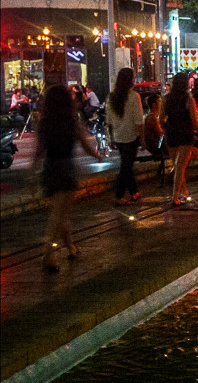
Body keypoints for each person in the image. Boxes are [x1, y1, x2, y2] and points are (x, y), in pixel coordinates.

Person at [35, 84, 104, 270]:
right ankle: (48, 254)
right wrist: (97, 156)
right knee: (59, 213)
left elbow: (38, 151)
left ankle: (71, 247)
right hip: (65, 167)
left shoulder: (44, 122)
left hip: (50, 167)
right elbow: (84, 143)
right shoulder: (71, 120)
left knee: (59, 211)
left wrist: (32, 173)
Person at [162, 71, 198, 206]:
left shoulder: (166, 99)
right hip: (185, 133)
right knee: (181, 166)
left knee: (178, 164)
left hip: (171, 132)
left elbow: (161, 119)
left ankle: (184, 192)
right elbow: (194, 120)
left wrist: (165, 129)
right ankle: (175, 196)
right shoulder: (188, 99)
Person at [105, 67, 144, 206]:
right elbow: (139, 120)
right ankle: (119, 195)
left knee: (127, 163)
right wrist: (142, 138)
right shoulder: (134, 97)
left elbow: (108, 121)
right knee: (126, 166)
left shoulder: (111, 97)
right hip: (131, 136)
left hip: (118, 136)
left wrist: (111, 137)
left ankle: (134, 192)